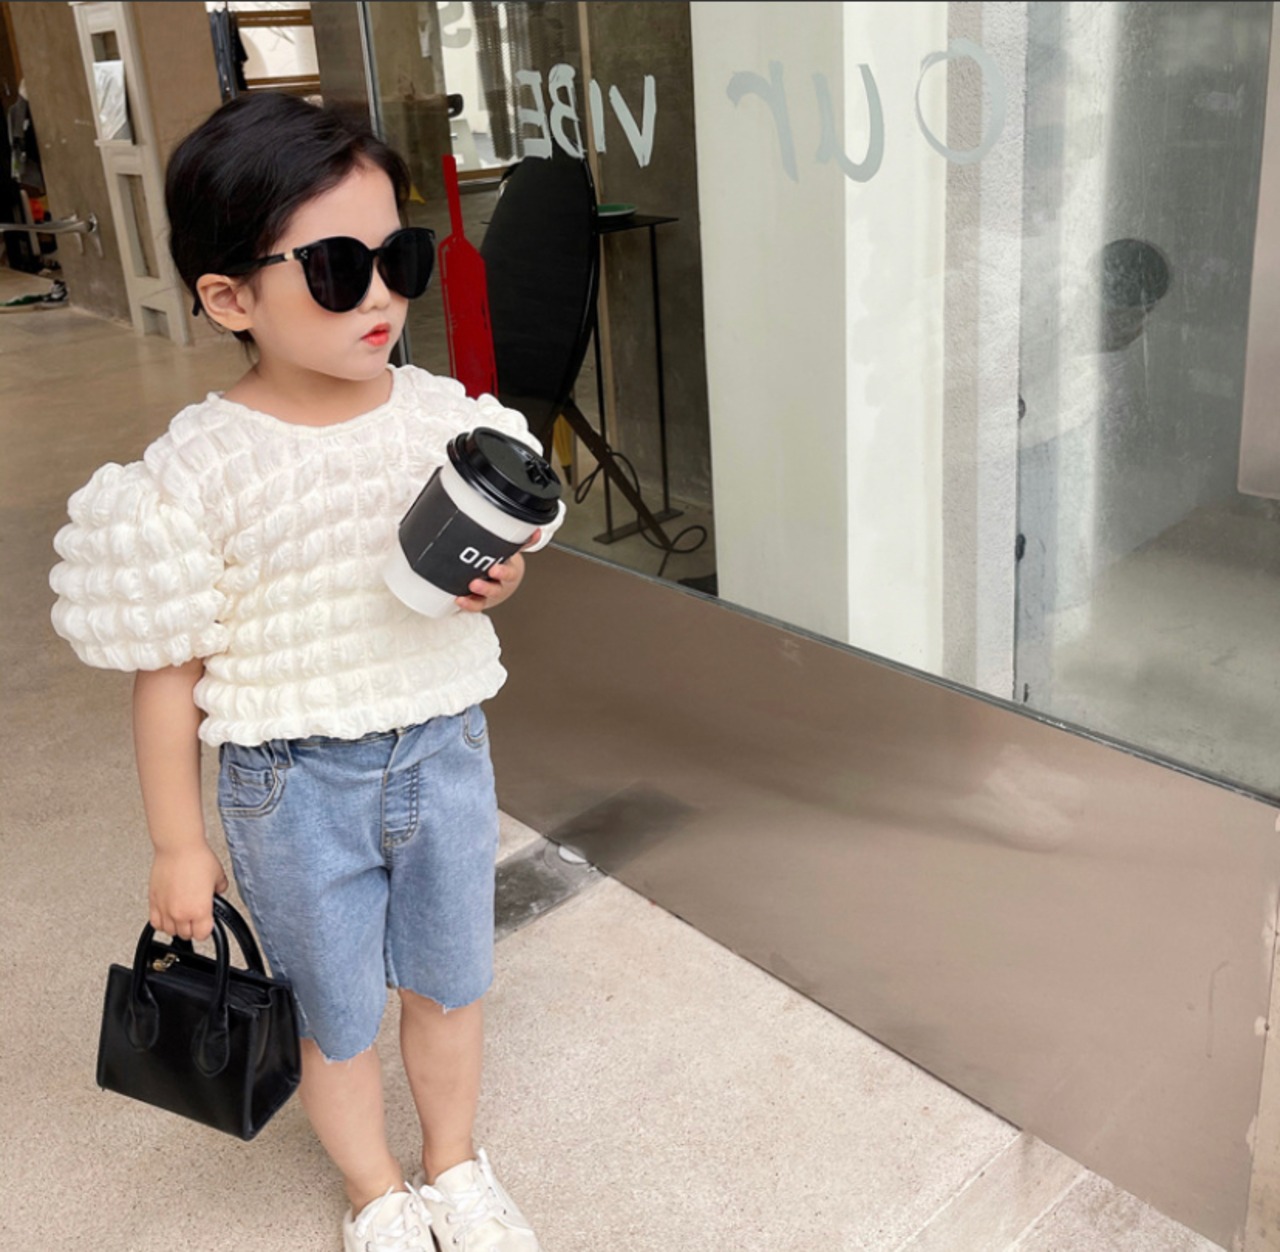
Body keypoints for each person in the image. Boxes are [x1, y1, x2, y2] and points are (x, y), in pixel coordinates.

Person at [48, 92, 562, 1252]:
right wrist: (177, 842)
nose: (379, 294)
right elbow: (167, 669)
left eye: (398, 258)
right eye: (336, 269)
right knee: (335, 1017)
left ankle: (453, 1163)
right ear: (231, 297)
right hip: (289, 788)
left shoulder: (442, 420)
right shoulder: (199, 469)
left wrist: (501, 577)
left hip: (441, 753)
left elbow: (504, 537)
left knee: (449, 984)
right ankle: (375, 1188)